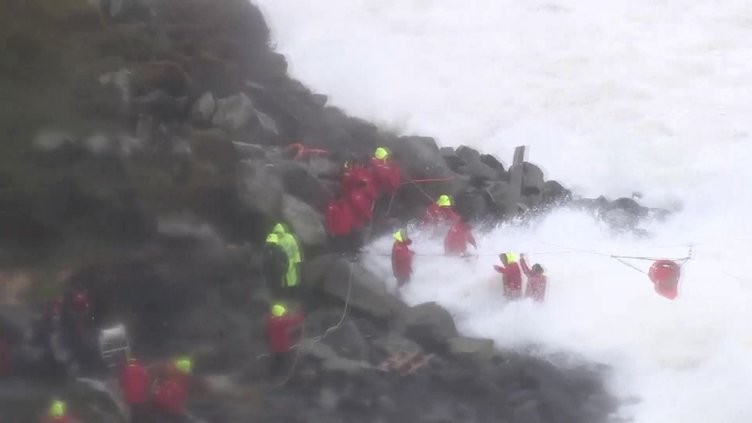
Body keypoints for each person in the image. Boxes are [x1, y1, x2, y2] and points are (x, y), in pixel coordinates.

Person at [265, 303, 304, 378]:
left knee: (275, 362)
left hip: (273, 347)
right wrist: (299, 312)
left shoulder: (270, 320)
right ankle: (277, 376)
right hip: (282, 347)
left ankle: (271, 375)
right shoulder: (282, 322)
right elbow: (296, 320)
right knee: (282, 363)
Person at [271, 224, 302, 299]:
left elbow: (295, 249)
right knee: (281, 280)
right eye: (277, 233)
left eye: (279, 232)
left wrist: (297, 260)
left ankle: (293, 295)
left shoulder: (289, 237)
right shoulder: (274, 238)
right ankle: (283, 296)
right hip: (280, 262)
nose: (278, 234)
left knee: (292, 279)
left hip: (291, 261)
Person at [119, 357, 150, 423]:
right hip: (141, 395)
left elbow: (121, 382)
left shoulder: (125, 370)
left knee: (133, 412)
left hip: (130, 396)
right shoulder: (141, 369)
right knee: (142, 411)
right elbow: (147, 380)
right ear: (136, 362)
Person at [263, 233, 290, 298]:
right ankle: (275, 297)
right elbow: (263, 262)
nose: (270, 244)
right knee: (272, 286)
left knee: (276, 286)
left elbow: (286, 260)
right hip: (271, 272)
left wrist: (284, 269)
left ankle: (277, 297)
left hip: (276, 272)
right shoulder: (266, 250)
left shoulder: (279, 250)